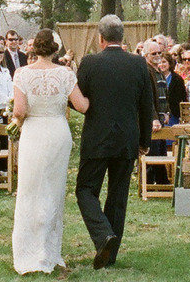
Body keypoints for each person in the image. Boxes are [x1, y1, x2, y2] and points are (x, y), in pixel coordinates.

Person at [75, 14, 154, 270]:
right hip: (127, 139)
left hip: (97, 139)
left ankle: (103, 236)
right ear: (123, 37)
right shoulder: (138, 63)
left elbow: (78, 100)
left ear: (100, 38)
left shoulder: (89, 62)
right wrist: (144, 140)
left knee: (85, 190)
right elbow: (146, 105)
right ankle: (110, 253)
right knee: (118, 196)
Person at [11, 28, 88, 275]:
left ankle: (28, 252)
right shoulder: (65, 73)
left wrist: (17, 121)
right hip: (57, 132)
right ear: (56, 49)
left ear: (35, 48)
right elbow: (82, 106)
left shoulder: (22, 74)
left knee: (29, 189)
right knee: (53, 191)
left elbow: (19, 111)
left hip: (33, 133)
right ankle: (48, 251)